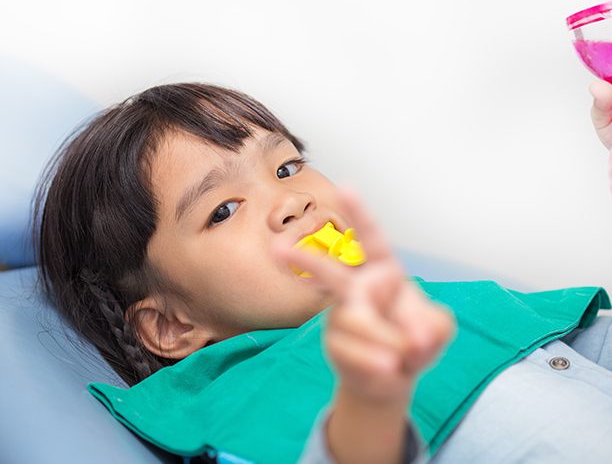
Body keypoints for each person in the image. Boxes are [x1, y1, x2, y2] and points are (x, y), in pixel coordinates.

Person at [33, 83, 612, 464]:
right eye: (224, 210)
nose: (294, 201)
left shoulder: (438, 304)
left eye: (286, 166)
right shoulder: (246, 404)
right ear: (172, 327)